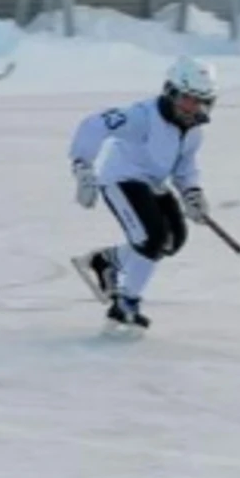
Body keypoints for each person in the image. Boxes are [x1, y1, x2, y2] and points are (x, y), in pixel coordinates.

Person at [68, 56, 217, 330]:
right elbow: (94, 124)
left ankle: (104, 262)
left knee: (172, 240)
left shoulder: (193, 130)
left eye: (199, 101)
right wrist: (83, 168)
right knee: (151, 237)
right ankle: (125, 303)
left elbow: (184, 167)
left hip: (153, 184)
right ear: (171, 92)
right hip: (121, 179)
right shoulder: (141, 117)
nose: (193, 107)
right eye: (187, 99)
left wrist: (192, 192)